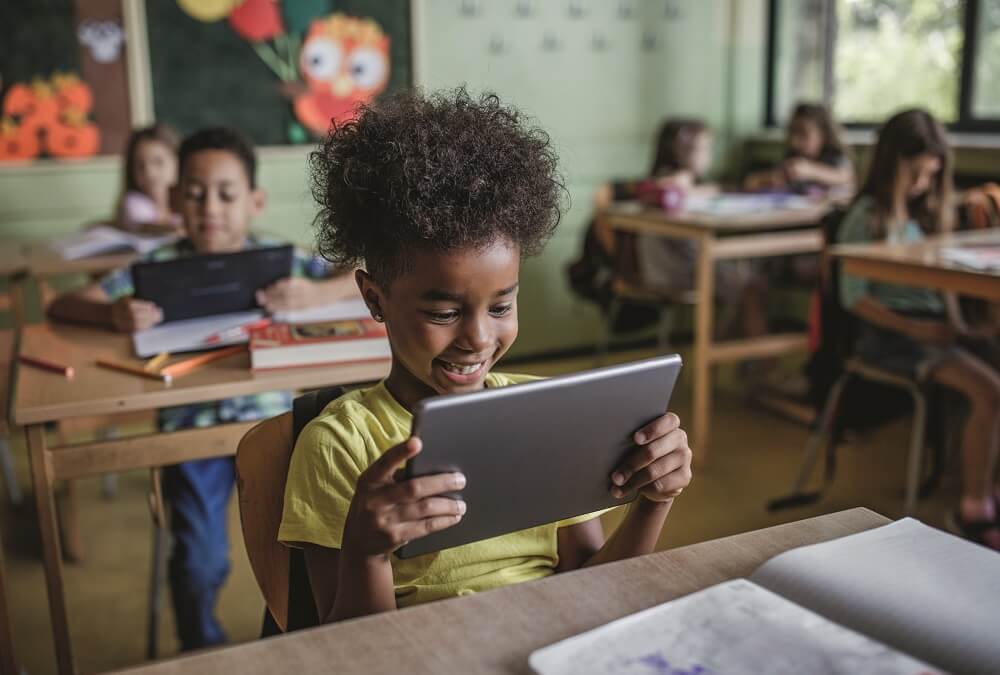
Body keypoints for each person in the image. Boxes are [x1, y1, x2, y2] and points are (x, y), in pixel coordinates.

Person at [278, 88, 694, 623]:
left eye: (501, 305)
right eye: (444, 313)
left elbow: (594, 586)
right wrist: (367, 553)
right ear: (374, 298)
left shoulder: (543, 413)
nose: (477, 338)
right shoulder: (340, 444)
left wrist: (655, 500)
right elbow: (346, 648)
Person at [49, 127, 359, 647]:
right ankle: (202, 647)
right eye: (193, 192)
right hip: (191, 434)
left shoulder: (279, 258)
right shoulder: (153, 269)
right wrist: (114, 312)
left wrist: (314, 293)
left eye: (226, 193)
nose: (209, 206)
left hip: (275, 430)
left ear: (254, 201)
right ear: (173, 199)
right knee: (199, 562)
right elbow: (64, 304)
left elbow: (359, 276)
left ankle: (291, 645)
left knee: (310, 549)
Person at [837, 109, 1000, 550]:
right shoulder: (867, 216)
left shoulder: (923, 216)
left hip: (934, 330)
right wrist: (916, 328)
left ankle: (985, 483)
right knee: (989, 391)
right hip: (892, 339)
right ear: (894, 165)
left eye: (932, 173)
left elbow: (942, 282)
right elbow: (854, 298)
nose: (925, 183)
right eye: (918, 173)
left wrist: (964, 326)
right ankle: (972, 508)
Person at [744, 102, 854, 195]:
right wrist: (771, 179)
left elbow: (847, 177)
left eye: (803, 133)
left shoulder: (835, 157)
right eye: (792, 132)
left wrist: (811, 170)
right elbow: (751, 182)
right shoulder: (793, 156)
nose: (794, 141)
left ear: (824, 134)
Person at [115, 124, 183, 233]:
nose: (149, 173)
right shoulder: (134, 202)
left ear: (179, 163)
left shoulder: (187, 204)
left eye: (158, 162)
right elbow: (141, 226)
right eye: (140, 165)